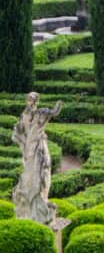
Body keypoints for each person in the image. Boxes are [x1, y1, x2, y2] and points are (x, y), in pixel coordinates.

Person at [11, 92, 63, 224]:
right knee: (31, 176)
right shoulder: (24, 115)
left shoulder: (41, 113)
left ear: (36, 101)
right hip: (29, 149)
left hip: (38, 147)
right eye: (29, 99)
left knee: (43, 171)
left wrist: (57, 106)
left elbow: (54, 112)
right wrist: (21, 137)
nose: (30, 102)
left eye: (33, 100)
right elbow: (17, 132)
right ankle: (31, 206)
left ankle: (40, 203)